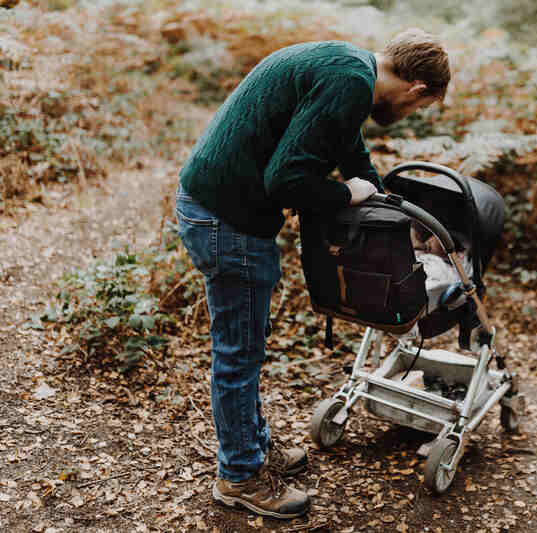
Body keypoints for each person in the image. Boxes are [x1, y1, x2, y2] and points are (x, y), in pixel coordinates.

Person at [175, 28, 450, 519]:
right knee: (239, 351)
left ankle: (252, 451)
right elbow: (285, 179)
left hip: (219, 208)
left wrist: (388, 202)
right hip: (227, 221)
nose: (408, 115)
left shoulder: (348, 66)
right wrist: (348, 196)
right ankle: (239, 476)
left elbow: (348, 148)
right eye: (418, 109)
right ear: (417, 90)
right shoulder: (349, 83)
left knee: (247, 342)